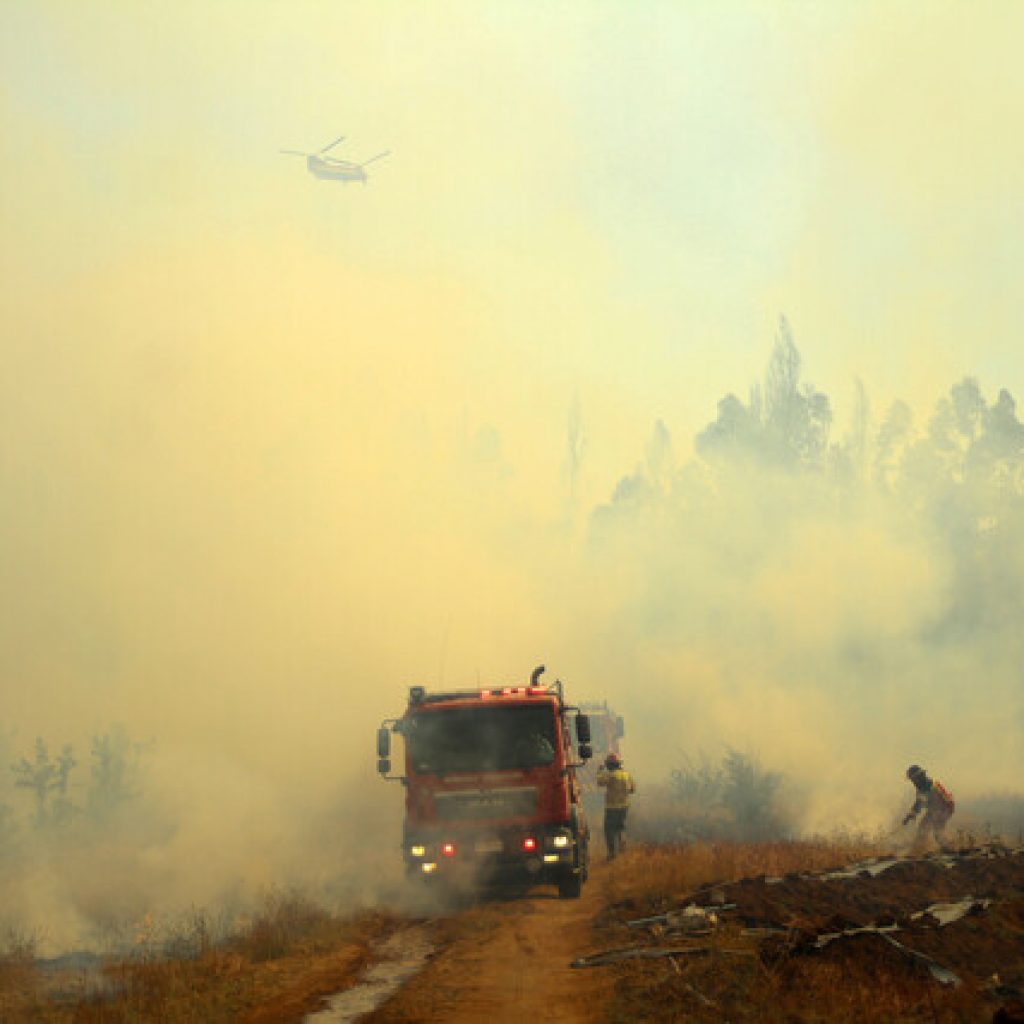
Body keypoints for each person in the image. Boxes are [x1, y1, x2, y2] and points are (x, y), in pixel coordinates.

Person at [902, 764, 955, 849]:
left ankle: (951, 849)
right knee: (922, 830)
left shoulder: (931, 786)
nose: (913, 782)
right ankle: (919, 848)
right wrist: (910, 815)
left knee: (938, 834)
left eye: (914, 780)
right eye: (912, 780)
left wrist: (912, 815)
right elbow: (919, 803)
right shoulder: (922, 787)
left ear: (920, 777)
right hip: (935, 810)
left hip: (944, 809)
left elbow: (922, 803)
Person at [596, 752, 635, 860]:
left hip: (612, 808)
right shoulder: (626, 775)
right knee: (620, 827)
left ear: (610, 765)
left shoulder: (611, 775)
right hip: (624, 807)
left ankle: (612, 854)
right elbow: (632, 789)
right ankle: (622, 847)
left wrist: (599, 771)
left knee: (609, 831)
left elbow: (599, 782)